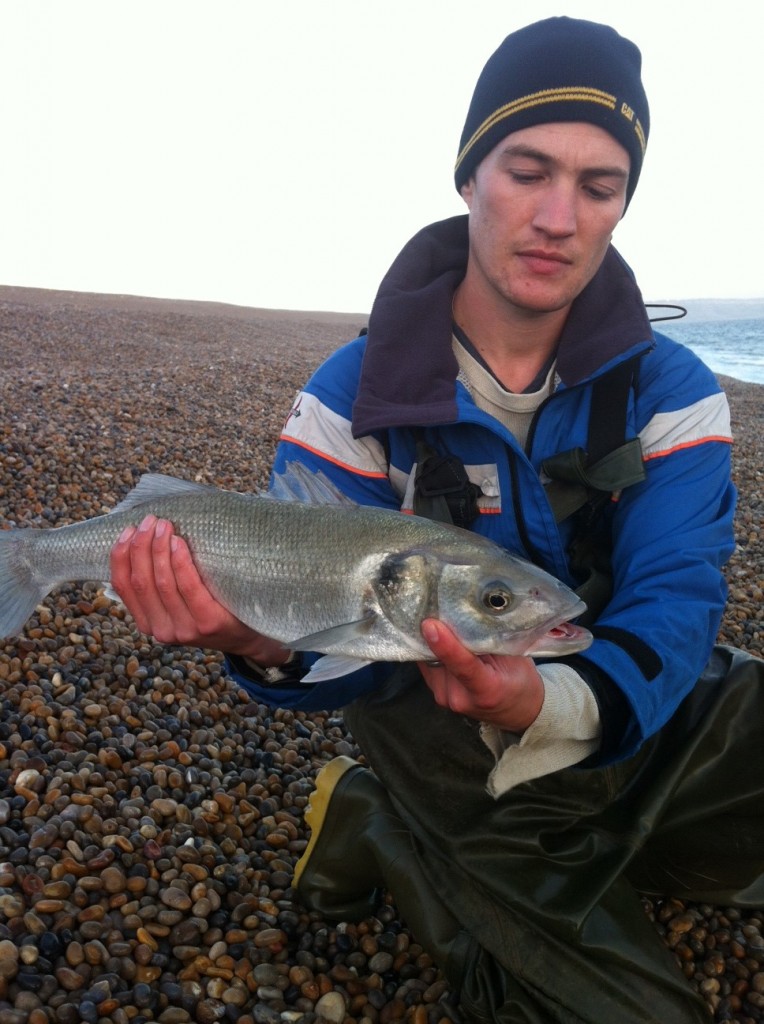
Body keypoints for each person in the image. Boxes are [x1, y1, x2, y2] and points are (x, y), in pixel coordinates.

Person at [110, 17, 764, 1024]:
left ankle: (598, 830)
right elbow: (338, 637)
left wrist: (545, 705)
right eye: (526, 168)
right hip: (436, 714)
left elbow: (676, 594)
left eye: (598, 185)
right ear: (469, 177)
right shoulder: (352, 397)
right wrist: (253, 638)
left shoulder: (673, 390)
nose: (557, 214)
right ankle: (385, 823)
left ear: (622, 202)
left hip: (615, 672)